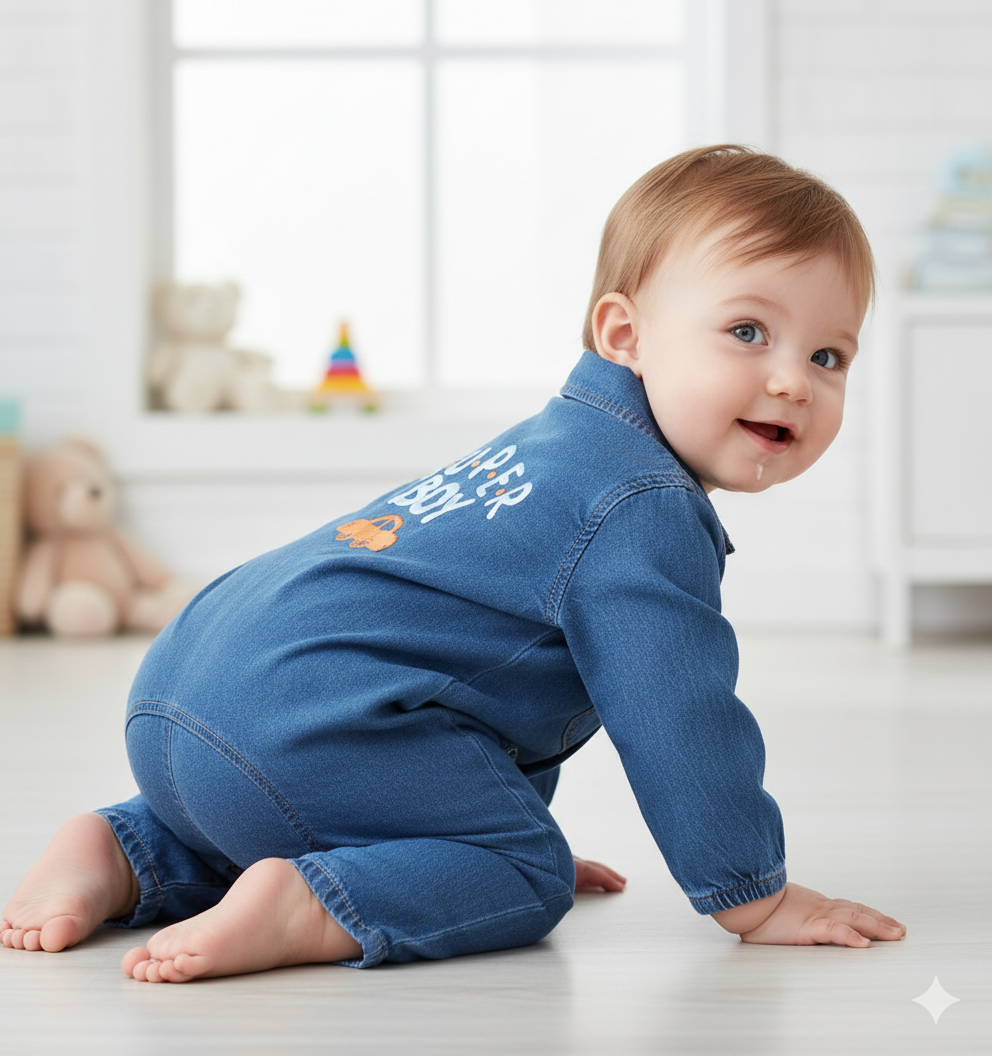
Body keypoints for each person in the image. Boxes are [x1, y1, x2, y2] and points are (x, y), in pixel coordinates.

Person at [1, 145, 907, 983]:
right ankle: (303, 907)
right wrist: (754, 891)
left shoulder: (552, 451)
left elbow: (468, 664)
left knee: (388, 807)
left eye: (829, 355)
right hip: (302, 725)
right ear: (623, 335)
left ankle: (124, 853)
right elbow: (679, 717)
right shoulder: (641, 508)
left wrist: (455, 824)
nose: (793, 378)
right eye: (749, 332)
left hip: (184, 695)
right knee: (526, 874)